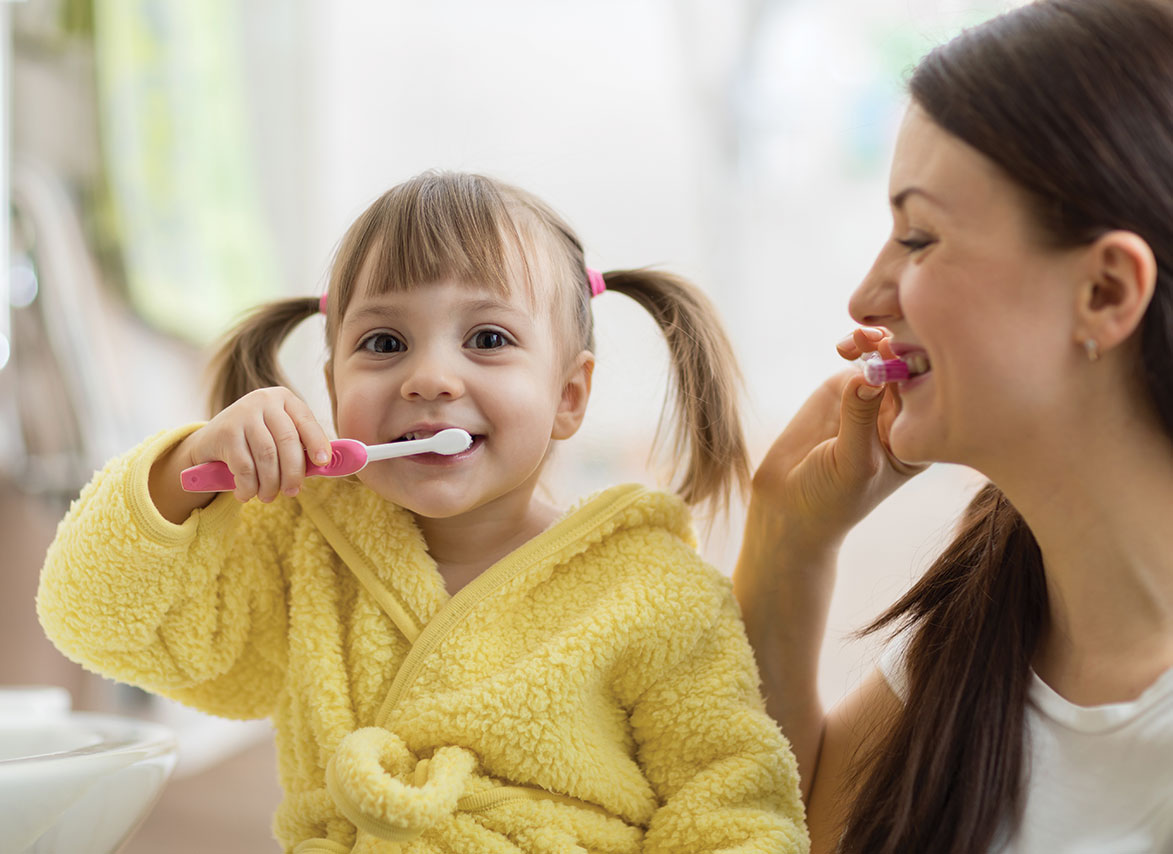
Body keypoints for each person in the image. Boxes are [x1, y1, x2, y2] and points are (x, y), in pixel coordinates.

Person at [37, 171, 808, 853]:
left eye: (487, 338)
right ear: (336, 389)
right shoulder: (303, 547)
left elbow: (731, 805)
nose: (431, 377)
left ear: (568, 396)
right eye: (383, 341)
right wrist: (180, 473)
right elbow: (98, 620)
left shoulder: (657, 590)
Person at [733, 1, 1173, 852]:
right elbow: (762, 830)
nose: (865, 300)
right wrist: (786, 534)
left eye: (918, 236)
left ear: (1106, 292)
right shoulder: (976, 639)